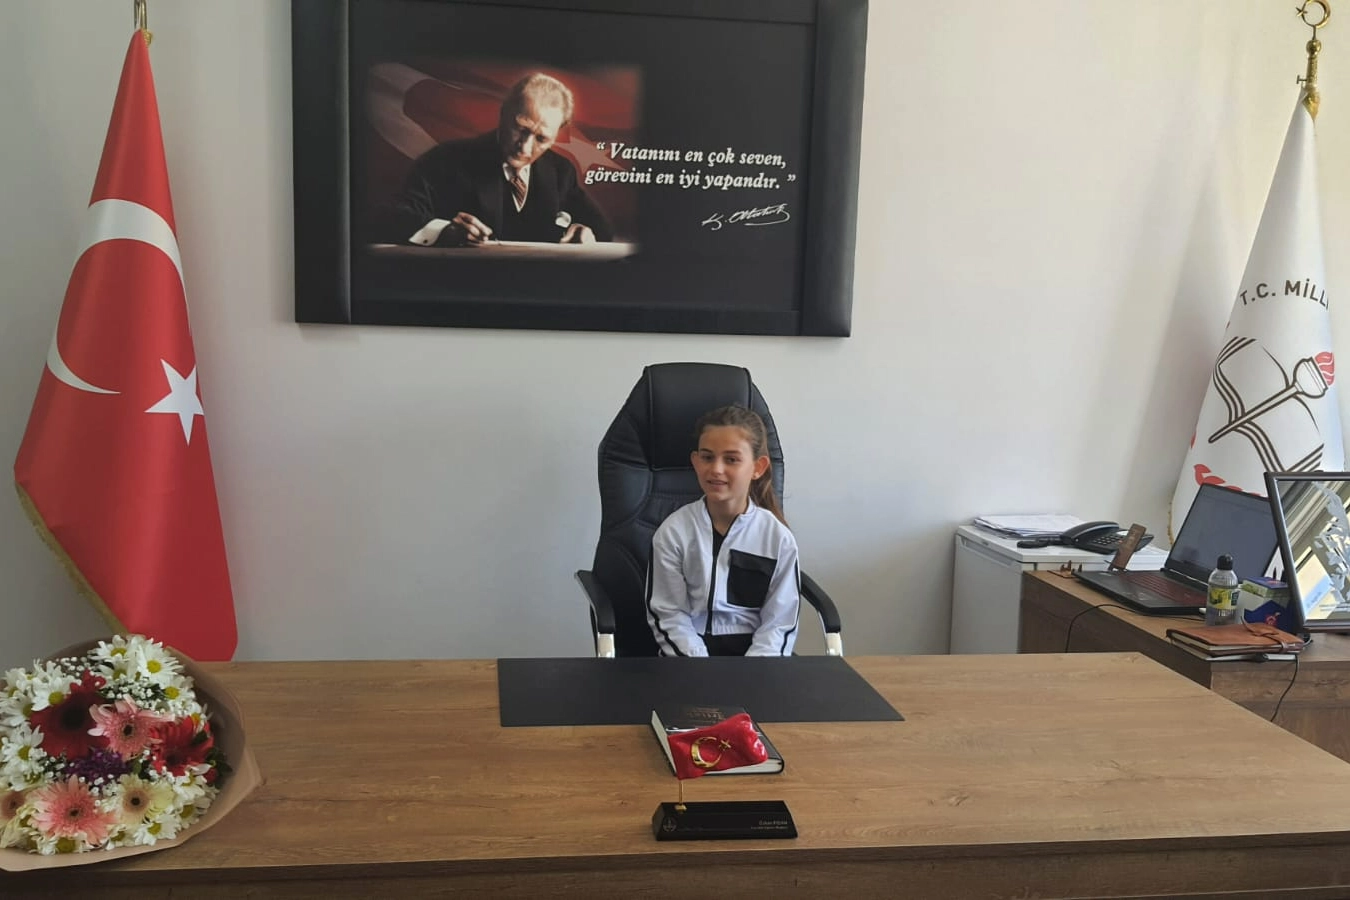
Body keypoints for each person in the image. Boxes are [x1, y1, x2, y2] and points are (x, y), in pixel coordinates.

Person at [388, 73, 613, 247]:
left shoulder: (561, 171)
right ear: (503, 113)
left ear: (557, 135)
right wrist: (444, 231)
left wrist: (585, 231)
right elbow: (393, 217)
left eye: (542, 139)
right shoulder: (444, 161)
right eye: (521, 128)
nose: (525, 147)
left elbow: (601, 229)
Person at [646, 405, 801, 657]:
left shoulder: (777, 538)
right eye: (707, 457)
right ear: (695, 461)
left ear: (758, 467)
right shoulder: (674, 532)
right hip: (687, 657)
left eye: (731, 459)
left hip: (757, 658)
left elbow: (779, 623)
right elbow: (669, 614)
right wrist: (701, 667)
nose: (716, 469)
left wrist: (754, 671)